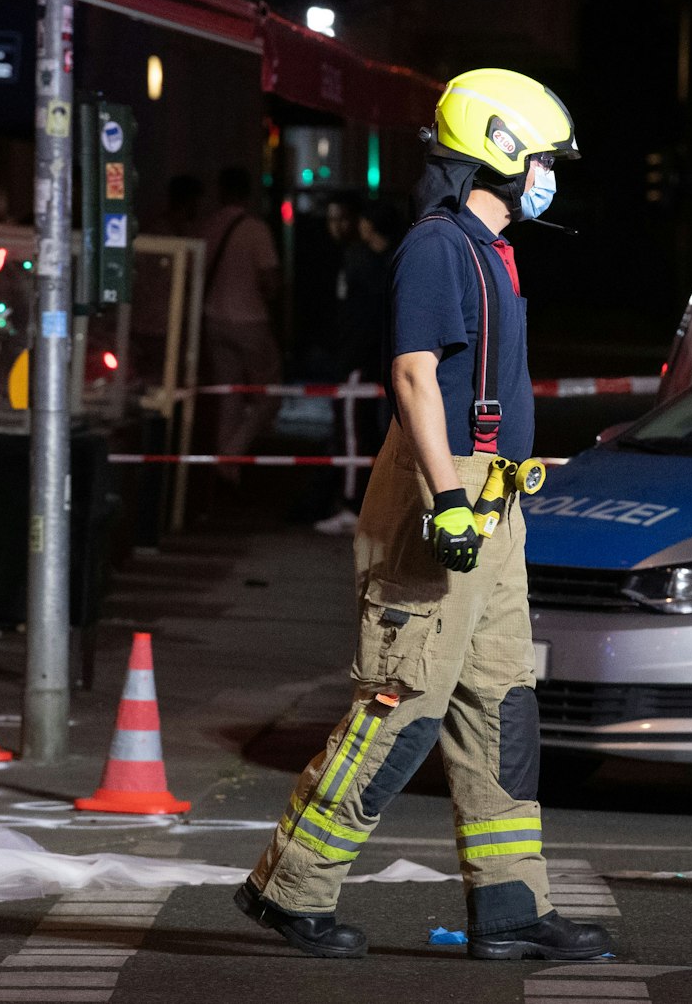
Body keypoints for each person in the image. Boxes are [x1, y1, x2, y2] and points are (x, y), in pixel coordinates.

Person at [237, 68, 612, 962]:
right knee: (401, 704)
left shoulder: (489, 254)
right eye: (544, 159)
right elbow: (413, 377)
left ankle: (512, 910)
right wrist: (449, 499)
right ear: (502, 151)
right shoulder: (439, 248)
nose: (550, 176)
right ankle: (288, 889)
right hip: (444, 501)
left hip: (492, 504)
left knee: (500, 710)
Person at [312, 197, 401, 536]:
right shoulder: (397, 262)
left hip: (357, 358)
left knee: (351, 431)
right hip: (379, 357)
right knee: (370, 431)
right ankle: (375, 504)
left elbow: (355, 316)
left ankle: (352, 505)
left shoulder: (361, 261)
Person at [198, 166, 282, 483]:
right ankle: (232, 452)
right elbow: (270, 280)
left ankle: (225, 463)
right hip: (249, 319)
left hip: (213, 318)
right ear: (248, 194)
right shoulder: (255, 230)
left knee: (229, 393)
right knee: (269, 394)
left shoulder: (208, 227)